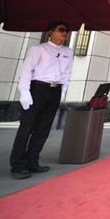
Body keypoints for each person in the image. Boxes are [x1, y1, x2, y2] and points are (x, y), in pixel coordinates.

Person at [10, 20, 74, 179]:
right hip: (38, 88)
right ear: (51, 32)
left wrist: (63, 91)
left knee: (43, 128)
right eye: (61, 30)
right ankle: (18, 165)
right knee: (27, 127)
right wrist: (25, 92)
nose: (64, 33)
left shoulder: (68, 51)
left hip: (55, 90)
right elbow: (26, 70)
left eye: (66, 30)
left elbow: (67, 73)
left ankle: (32, 161)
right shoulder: (38, 49)